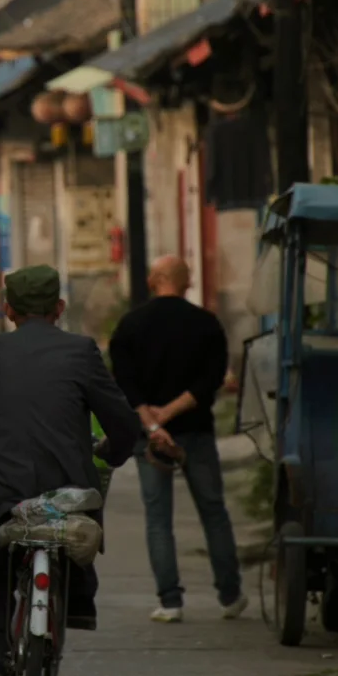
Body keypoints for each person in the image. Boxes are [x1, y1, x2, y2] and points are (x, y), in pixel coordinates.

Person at [0, 264, 180, 676]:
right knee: (75, 531)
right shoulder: (81, 351)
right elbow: (121, 421)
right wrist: (112, 453)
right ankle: (77, 601)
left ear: (7, 309)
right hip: (63, 493)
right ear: (60, 308)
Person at [108, 255, 247, 624]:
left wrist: (153, 424)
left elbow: (123, 380)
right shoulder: (206, 324)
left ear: (154, 280)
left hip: (150, 438)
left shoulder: (131, 325)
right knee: (213, 512)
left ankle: (170, 602)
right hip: (196, 432)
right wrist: (170, 413)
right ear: (187, 282)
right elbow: (211, 379)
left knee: (158, 519)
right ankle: (230, 596)